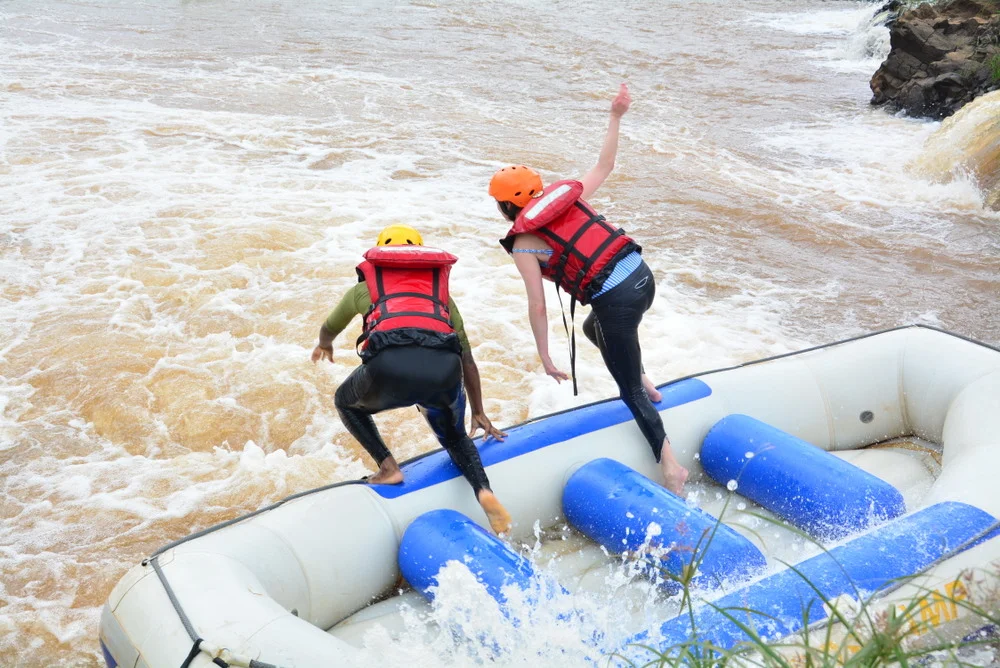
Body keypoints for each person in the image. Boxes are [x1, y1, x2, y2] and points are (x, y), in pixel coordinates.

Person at [488, 84, 688, 496]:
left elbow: (538, 306)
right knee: (591, 327)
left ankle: (671, 467)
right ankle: (646, 377)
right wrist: (615, 116)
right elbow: (606, 164)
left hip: (619, 301)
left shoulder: (524, 241)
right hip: (642, 278)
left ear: (505, 207)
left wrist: (544, 354)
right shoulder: (568, 198)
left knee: (627, 390)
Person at [311, 224, 512, 534]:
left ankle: (388, 467)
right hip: (443, 371)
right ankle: (484, 491)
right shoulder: (439, 294)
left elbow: (329, 327)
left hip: (387, 368)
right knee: (456, 438)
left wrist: (324, 344)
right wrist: (479, 412)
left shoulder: (363, 290)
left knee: (345, 402)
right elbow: (466, 357)